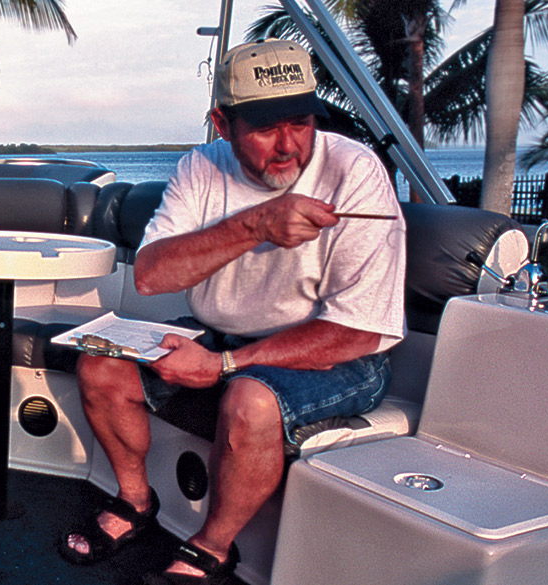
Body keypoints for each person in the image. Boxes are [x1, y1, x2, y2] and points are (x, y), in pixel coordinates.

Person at [59, 39, 406, 584]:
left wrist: (225, 366)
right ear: (223, 124)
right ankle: (135, 501)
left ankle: (213, 547)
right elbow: (150, 275)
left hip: (336, 359)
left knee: (249, 399)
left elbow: (360, 333)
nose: (289, 146)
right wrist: (254, 225)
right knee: (101, 362)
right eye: (266, 128)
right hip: (220, 336)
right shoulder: (202, 166)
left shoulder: (354, 171)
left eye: (301, 122)